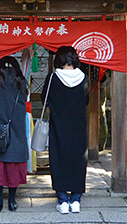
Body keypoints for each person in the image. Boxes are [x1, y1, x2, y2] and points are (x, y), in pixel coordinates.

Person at [41, 46, 89, 214]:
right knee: (78, 161)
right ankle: (75, 200)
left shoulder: (53, 78)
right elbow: (87, 101)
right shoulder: (84, 78)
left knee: (58, 160)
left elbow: (44, 99)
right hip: (79, 127)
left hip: (58, 127)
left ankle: (62, 201)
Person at [0, 56, 29, 213]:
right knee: (13, 165)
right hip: (16, 126)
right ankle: (11, 201)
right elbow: (23, 97)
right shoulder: (20, 80)